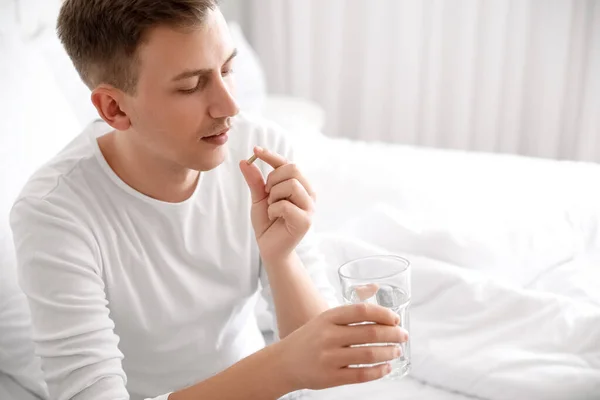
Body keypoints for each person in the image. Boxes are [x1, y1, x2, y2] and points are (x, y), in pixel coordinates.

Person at [10, 1, 408, 399]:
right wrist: (282, 367)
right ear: (114, 108)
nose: (231, 106)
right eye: (191, 85)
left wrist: (281, 257)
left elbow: (317, 358)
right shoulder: (55, 214)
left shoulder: (261, 149)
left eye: (227, 69)